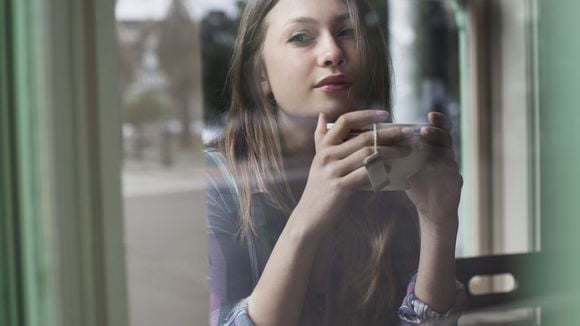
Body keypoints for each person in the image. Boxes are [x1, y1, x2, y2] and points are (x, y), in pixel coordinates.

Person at [205, 0, 465, 325]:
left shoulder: (380, 171)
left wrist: (438, 222)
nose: (333, 52)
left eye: (347, 31)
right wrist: (309, 216)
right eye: (301, 37)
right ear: (260, 73)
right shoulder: (215, 182)